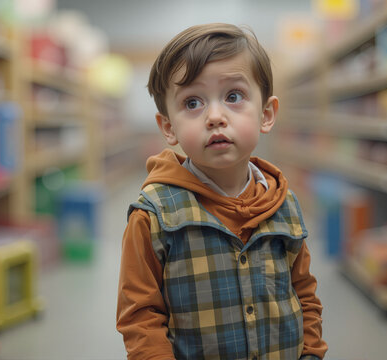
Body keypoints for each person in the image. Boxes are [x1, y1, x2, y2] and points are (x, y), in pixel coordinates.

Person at [116, 23, 327, 360]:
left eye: (233, 97)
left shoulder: (283, 203)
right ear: (168, 127)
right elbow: (140, 317)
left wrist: (312, 352)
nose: (215, 116)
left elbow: (303, 292)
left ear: (266, 114)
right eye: (193, 102)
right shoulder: (153, 216)